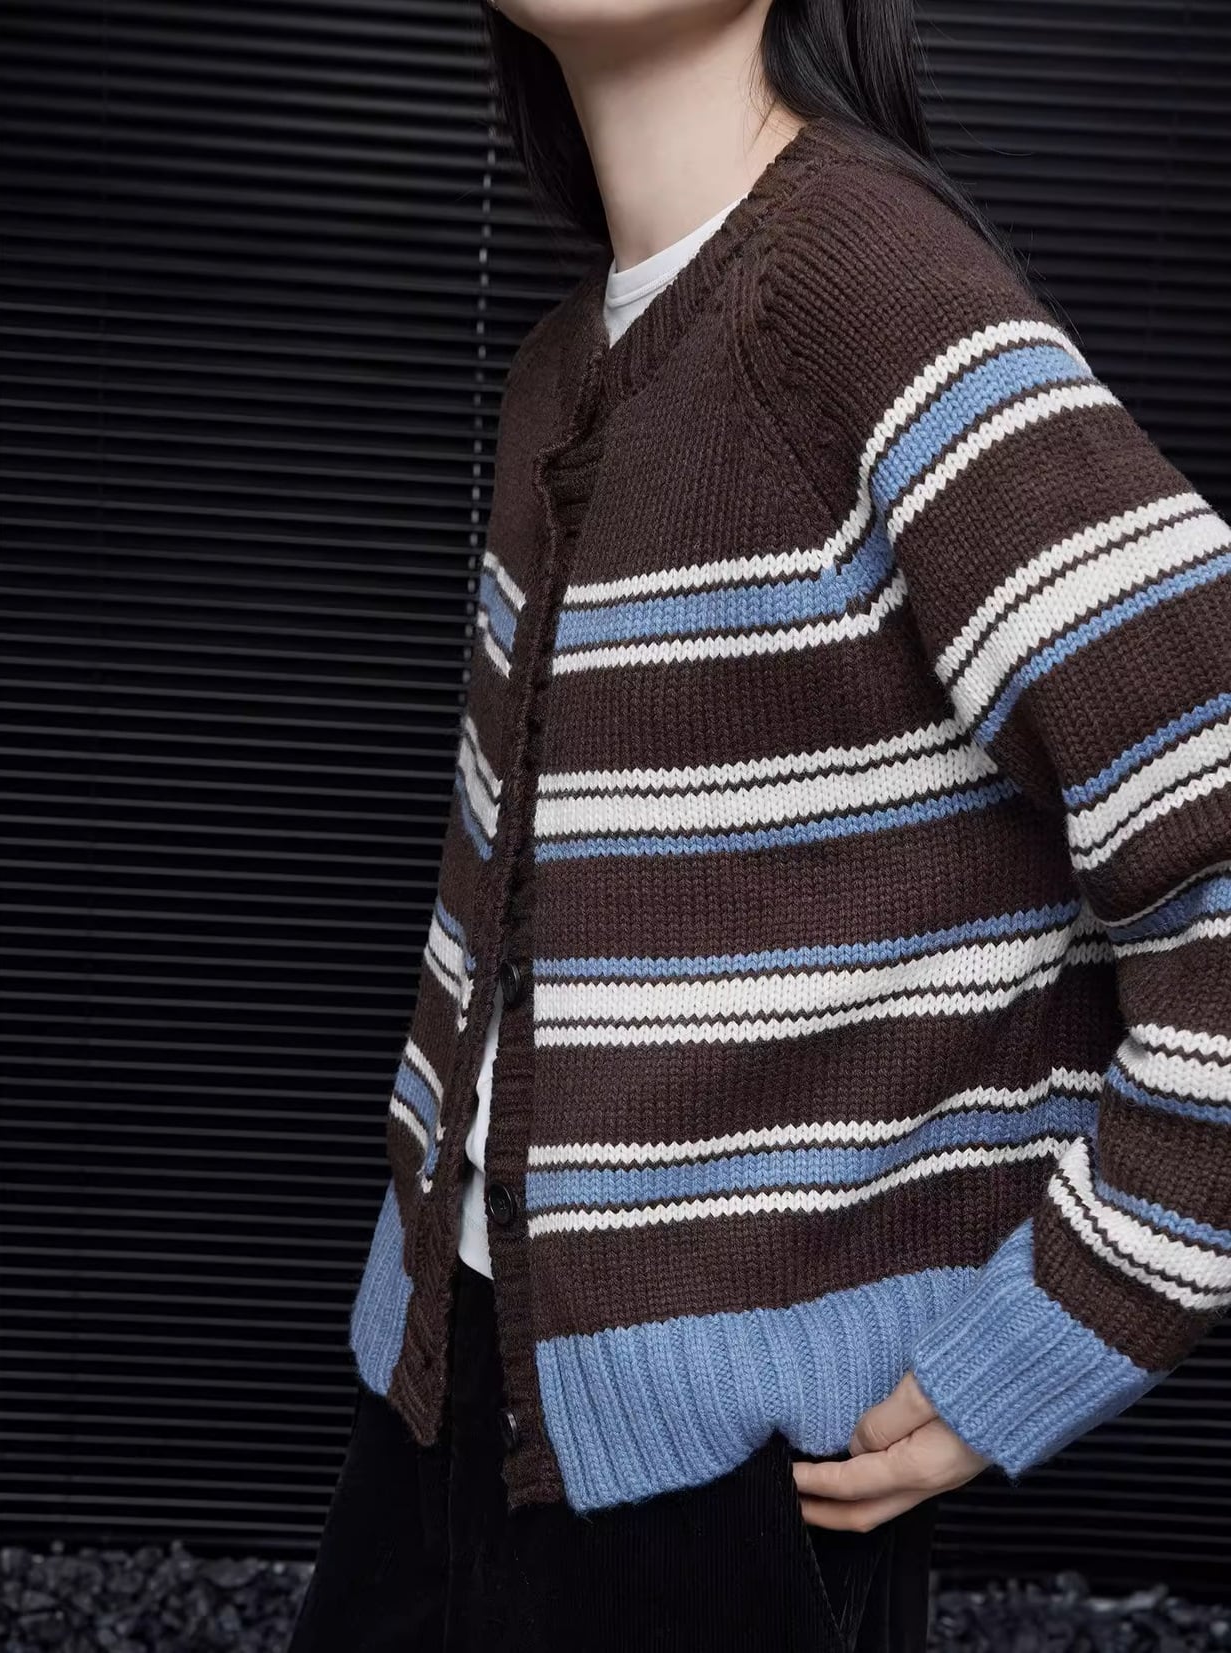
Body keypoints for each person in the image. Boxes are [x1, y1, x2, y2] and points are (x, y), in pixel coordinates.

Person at [288, 1, 1231, 1648]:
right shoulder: (563, 370)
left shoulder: (868, 291)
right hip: (451, 1387)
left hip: (736, 1485)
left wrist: (1075, 1311)